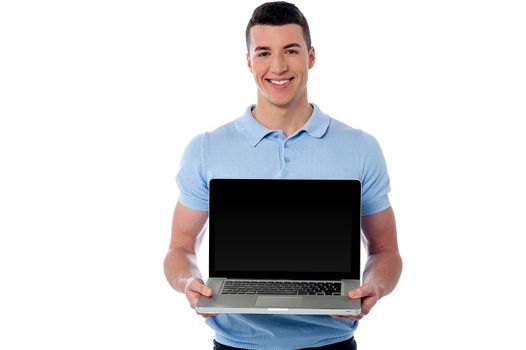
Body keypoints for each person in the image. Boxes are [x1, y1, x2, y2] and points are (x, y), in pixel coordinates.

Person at [164, 2, 402, 349]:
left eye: (291, 50)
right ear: (249, 62)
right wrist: (189, 280)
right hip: (236, 345)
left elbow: (386, 252)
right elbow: (180, 248)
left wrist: (374, 286)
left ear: (311, 57)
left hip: (331, 343)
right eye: (263, 53)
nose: (277, 66)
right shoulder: (206, 148)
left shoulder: (361, 147)